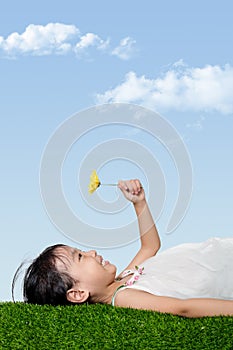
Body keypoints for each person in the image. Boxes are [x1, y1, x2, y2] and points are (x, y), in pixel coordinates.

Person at [16, 179, 233, 318]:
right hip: (222, 275)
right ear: (78, 293)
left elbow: (150, 247)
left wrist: (139, 203)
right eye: (80, 257)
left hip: (217, 255)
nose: (91, 252)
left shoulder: (123, 278)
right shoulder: (122, 298)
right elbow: (181, 308)